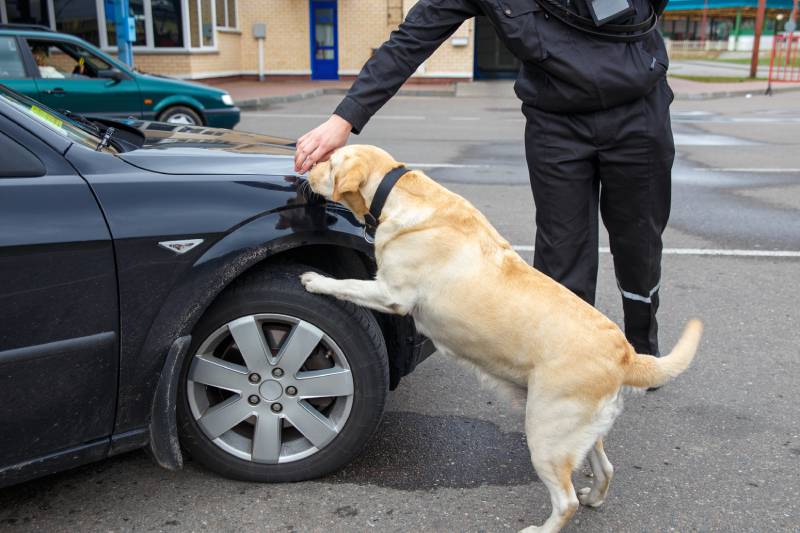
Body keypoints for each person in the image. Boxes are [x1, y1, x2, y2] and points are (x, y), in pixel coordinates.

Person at [294, 0, 674, 358]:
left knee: (638, 244)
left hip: (638, 110)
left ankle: (641, 342)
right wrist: (343, 119)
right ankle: (569, 360)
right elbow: (410, 39)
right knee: (562, 255)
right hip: (557, 123)